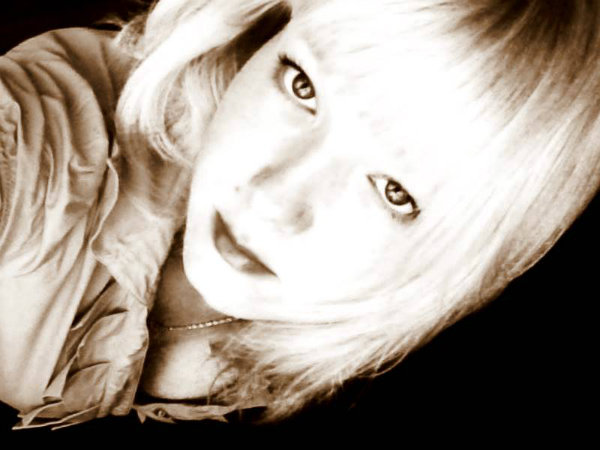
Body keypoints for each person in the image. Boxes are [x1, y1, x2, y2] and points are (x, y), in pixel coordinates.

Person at [1, 0, 599, 430]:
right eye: (302, 85)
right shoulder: (45, 145)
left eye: (394, 190)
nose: (272, 199)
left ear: (469, 250)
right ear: (262, 32)